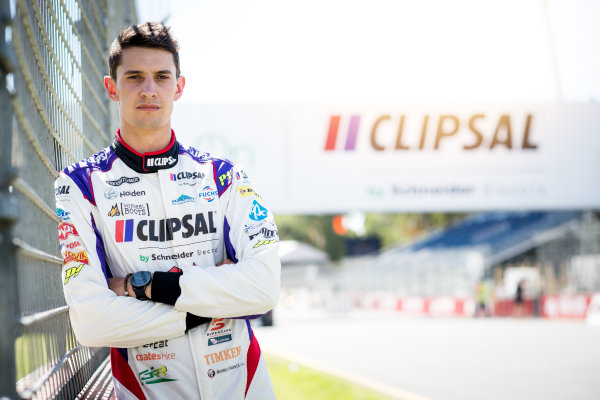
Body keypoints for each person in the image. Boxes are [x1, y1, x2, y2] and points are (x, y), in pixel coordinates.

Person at [54, 22, 280, 399]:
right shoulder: (79, 185)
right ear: (112, 88)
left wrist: (143, 288)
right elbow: (92, 324)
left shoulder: (223, 175)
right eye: (134, 77)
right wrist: (213, 304)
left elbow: (265, 288)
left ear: (179, 86)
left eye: (161, 76)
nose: (149, 89)